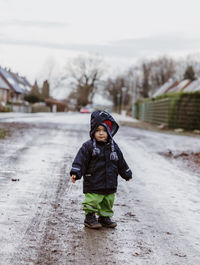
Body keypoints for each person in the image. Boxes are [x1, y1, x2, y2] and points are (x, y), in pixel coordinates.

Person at [70, 110, 132, 229]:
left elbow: (121, 162)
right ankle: (90, 217)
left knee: (108, 201)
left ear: (109, 131)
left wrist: (126, 173)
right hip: (93, 181)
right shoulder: (88, 146)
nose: (101, 133)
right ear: (93, 131)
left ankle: (105, 217)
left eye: (104, 130)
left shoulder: (114, 147)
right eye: (98, 130)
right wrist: (75, 172)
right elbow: (80, 160)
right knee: (92, 200)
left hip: (110, 181)